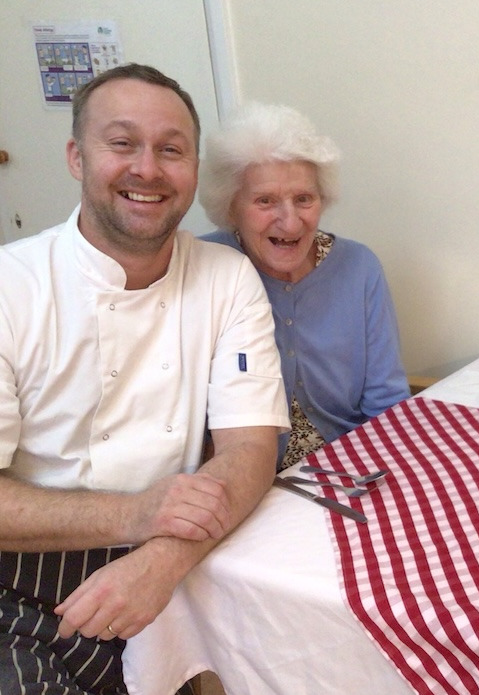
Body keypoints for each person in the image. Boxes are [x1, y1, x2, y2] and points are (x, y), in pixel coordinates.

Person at [0, 64, 289, 694]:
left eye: (171, 150)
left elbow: (251, 449)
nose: (148, 169)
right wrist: (136, 516)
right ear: (77, 156)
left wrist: (164, 559)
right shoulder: (10, 287)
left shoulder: (226, 277)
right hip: (17, 583)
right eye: (122, 143)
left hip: (172, 564)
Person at [199, 103, 410, 470]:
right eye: (265, 201)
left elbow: (386, 400)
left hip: (351, 465)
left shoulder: (358, 268)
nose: (290, 222)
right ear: (231, 206)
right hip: (239, 474)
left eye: (303, 199)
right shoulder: (206, 266)